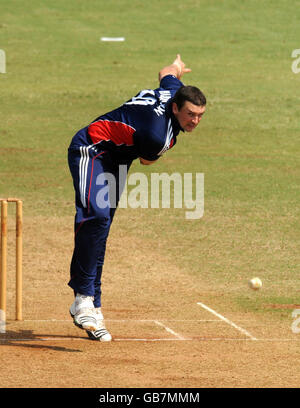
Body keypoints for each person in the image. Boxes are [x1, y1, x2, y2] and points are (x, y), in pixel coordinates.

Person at [67, 54, 206, 342]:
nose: (195, 121)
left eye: (200, 115)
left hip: (117, 160)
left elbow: (166, 71)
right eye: (190, 114)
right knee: (96, 216)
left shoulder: (172, 91)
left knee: (101, 230)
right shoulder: (158, 135)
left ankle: (94, 306)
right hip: (91, 149)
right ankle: (82, 297)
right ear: (176, 107)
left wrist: (177, 66)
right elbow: (147, 161)